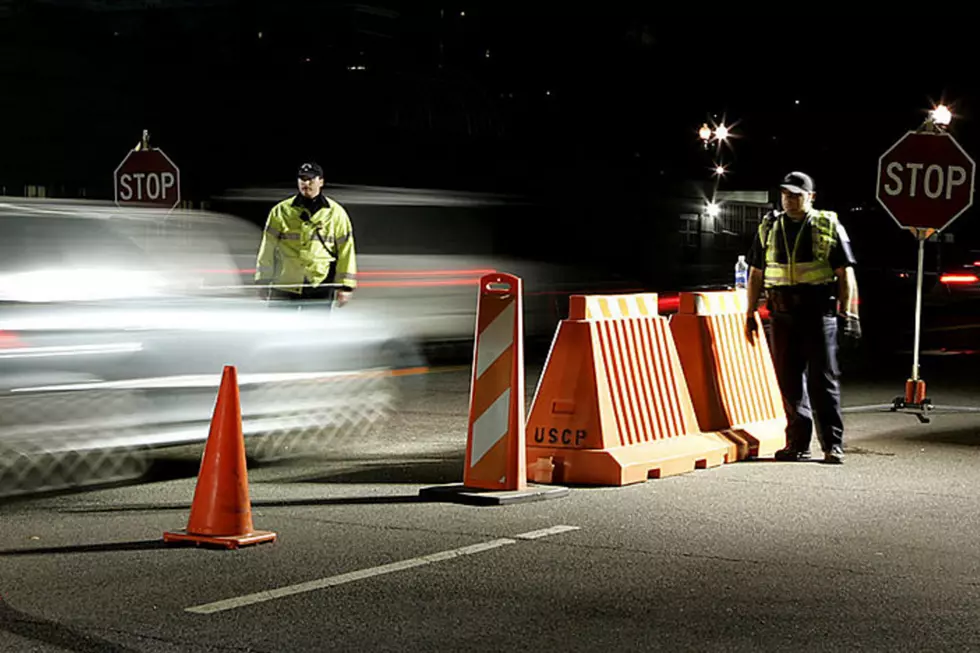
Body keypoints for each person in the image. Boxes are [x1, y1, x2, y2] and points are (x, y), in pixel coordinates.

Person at [744, 171, 861, 464]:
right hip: (782, 314)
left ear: (811, 197)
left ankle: (833, 444)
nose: (789, 199)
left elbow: (845, 272)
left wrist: (849, 315)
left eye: (796, 194)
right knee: (789, 382)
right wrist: (749, 312)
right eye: (786, 194)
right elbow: (756, 272)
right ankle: (797, 444)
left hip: (818, 314)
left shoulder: (827, 225)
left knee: (823, 381)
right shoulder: (769, 227)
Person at [255, 162, 357, 307]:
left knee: (316, 329)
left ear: (321, 181)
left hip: (319, 284)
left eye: (311, 179)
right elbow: (267, 248)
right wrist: (263, 281)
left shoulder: (336, 213)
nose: (306, 183)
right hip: (285, 284)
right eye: (302, 179)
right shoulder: (280, 211)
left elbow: (346, 250)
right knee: (280, 328)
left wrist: (346, 286)